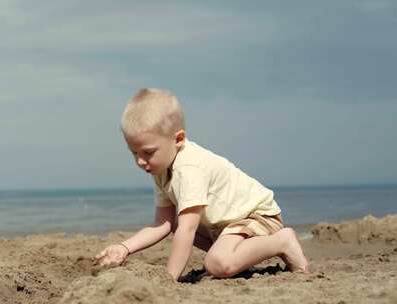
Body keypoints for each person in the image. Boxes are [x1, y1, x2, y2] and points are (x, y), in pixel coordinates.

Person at [95, 88, 309, 281]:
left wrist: (170, 278)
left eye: (148, 152)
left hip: (257, 215)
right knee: (177, 223)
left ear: (178, 139)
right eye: (134, 153)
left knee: (216, 263)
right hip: (227, 224)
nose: (141, 161)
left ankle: (282, 241)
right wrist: (125, 247)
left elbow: (188, 230)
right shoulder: (161, 169)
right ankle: (233, 255)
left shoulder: (189, 168)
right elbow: (163, 224)